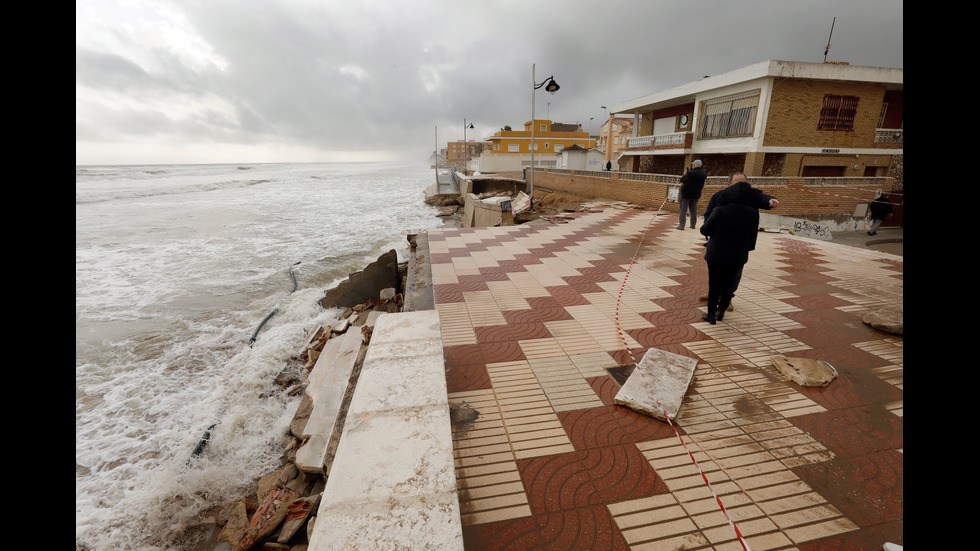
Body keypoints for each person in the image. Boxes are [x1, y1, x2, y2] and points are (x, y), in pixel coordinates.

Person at [698, 172, 779, 310]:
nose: (741, 187)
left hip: (740, 244)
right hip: (719, 243)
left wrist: (770, 200)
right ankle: (715, 293)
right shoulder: (718, 197)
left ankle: (727, 297)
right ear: (728, 185)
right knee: (715, 272)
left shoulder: (752, 196)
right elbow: (708, 216)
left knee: (735, 273)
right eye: (737, 183)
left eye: (744, 183)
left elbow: (763, 198)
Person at [698, 180, 761, 324]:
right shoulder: (753, 213)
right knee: (728, 284)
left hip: (716, 254)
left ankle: (711, 314)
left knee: (714, 284)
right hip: (738, 255)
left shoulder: (720, 210)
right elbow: (752, 236)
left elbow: (704, 230)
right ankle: (721, 312)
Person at [677, 160, 707, 230]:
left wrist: (685, 174)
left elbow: (682, 180)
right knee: (693, 210)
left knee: (683, 210)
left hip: (686, 194)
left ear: (694, 165)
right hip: (696, 194)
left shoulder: (690, 173)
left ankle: (681, 225)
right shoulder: (704, 174)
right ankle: (693, 225)